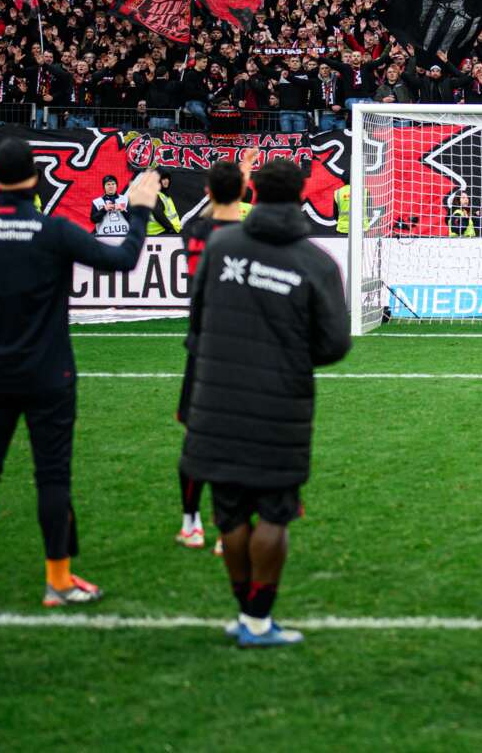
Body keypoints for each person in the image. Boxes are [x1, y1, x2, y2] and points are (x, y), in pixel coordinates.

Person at [0, 139, 162, 607]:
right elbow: (122, 260)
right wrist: (137, 210)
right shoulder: (53, 230)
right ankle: (58, 579)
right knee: (52, 476)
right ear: (35, 180)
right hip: (49, 374)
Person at [182, 157, 350, 647]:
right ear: (301, 194)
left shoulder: (221, 246)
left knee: (231, 513)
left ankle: (247, 615)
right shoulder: (317, 262)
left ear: (254, 190)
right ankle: (257, 620)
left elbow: (197, 317)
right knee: (274, 513)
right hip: (281, 403)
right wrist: (293, 355)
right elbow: (335, 344)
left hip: (216, 398)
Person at [175, 157, 250, 550]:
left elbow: (217, 209)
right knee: (238, 440)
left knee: (195, 438)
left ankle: (191, 523)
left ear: (207, 192)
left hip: (201, 347)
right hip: (240, 350)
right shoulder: (252, 237)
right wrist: (244, 181)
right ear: (241, 194)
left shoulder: (194, 230)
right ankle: (230, 526)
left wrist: (234, 184)